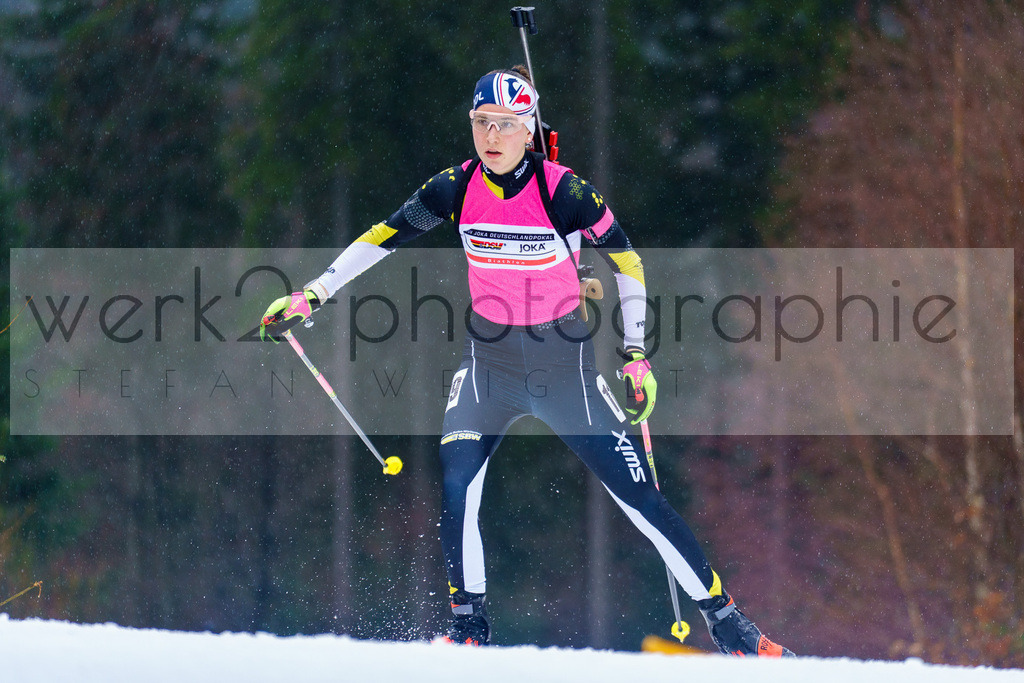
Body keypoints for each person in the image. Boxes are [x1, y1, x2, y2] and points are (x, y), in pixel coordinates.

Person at [260, 66, 793, 657]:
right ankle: (469, 629)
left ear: (529, 129)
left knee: (640, 502)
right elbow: (384, 235)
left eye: (507, 125)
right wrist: (313, 293)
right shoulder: (455, 187)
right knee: (458, 484)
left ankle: (728, 624)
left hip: (562, 367)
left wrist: (636, 353)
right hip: (489, 363)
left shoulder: (564, 192)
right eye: (482, 123)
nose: (492, 136)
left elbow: (629, 263)